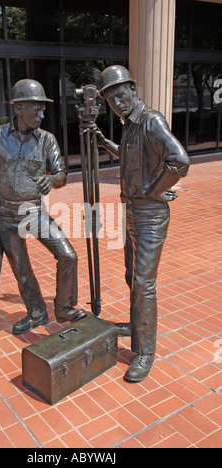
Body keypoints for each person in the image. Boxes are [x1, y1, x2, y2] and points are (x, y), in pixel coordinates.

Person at [0, 79, 87, 335]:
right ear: (19, 108)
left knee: (67, 255)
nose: (42, 115)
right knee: (21, 269)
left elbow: (61, 174)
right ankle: (36, 312)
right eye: (37, 109)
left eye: (43, 109)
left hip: (34, 211)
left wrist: (52, 180)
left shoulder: (47, 140)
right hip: (4, 214)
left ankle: (65, 307)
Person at [97, 65, 190, 382]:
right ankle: (137, 326)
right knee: (131, 276)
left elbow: (180, 161)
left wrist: (155, 191)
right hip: (131, 212)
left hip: (149, 215)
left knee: (144, 284)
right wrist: (105, 143)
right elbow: (129, 156)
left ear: (133, 89)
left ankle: (146, 351)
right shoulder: (130, 126)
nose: (117, 103)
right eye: (111, 100)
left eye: (120, 95)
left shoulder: (151, 120)